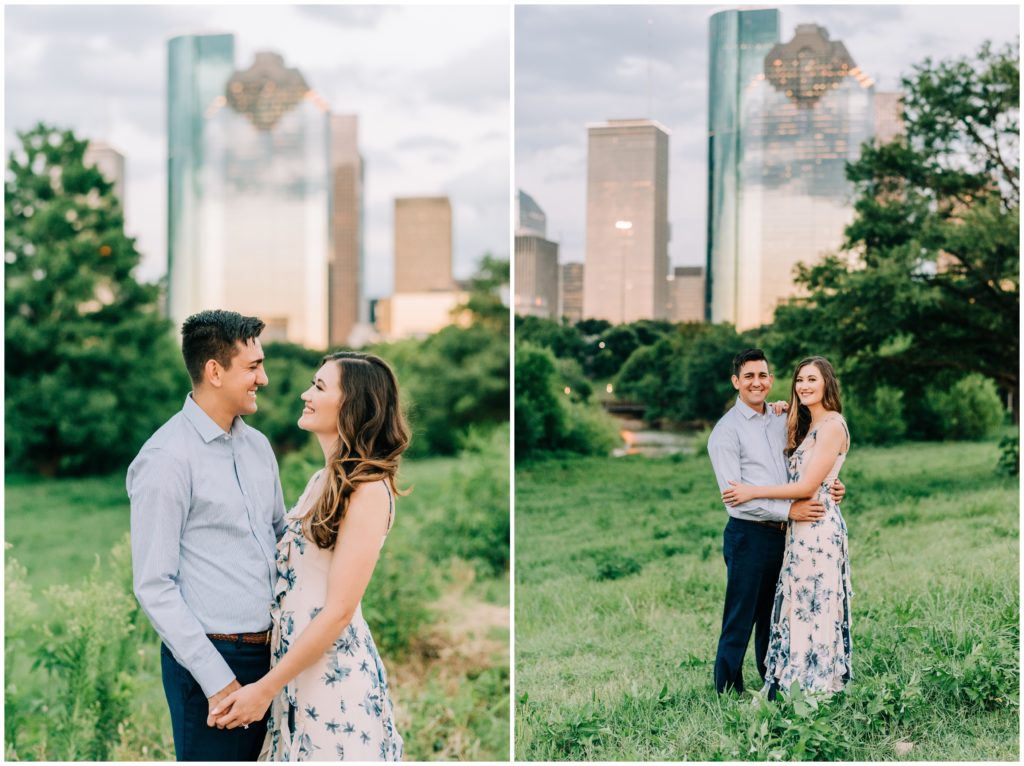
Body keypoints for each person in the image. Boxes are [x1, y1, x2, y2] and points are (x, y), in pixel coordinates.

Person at [209, 351, 409, 762]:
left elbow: (338, 611)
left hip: (333, 680)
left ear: (353, 405)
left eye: (319, 387)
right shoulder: (323, 480)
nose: (306, 393)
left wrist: (264, 689)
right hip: (297, 676)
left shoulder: (369, 490)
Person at [128, 310, 284, 761]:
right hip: (211, 664)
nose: (264, 378)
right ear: (214, 371)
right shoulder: (165, 459)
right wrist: (219, 681)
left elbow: (280, 540)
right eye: (253, 367)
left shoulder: (258, 447)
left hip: (274, 656)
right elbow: (154, 585)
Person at [707, 348, 845, 695]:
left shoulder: (782, 416)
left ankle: (775, 680)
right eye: (749, 376)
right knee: (741, 614)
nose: (757, 382)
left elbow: (809, 464)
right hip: (749, 534)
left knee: (776, 613)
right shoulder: (725, 432)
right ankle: (727, 689)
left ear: (770, 380)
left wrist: (831, 484)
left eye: (763, 375)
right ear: (736, 381)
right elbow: (735, 501)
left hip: (788, 535)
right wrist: (788, 511)